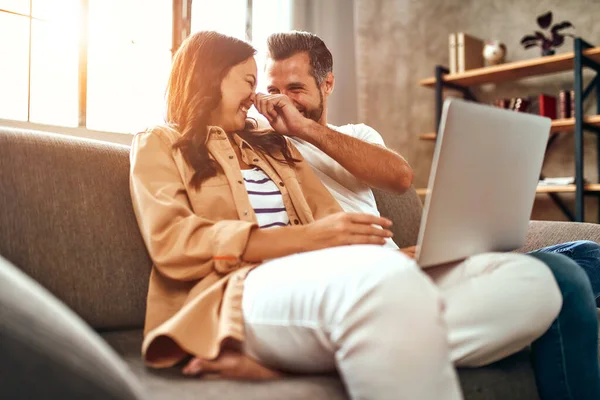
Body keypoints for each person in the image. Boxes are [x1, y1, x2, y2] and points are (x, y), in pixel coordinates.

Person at [129, 30, 563, 400]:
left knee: (530, 283)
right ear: (210, 78)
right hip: (240, 289)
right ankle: (345, 336)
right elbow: (173, 243)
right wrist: (316, 241)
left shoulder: (273, 146)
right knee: (383, 290)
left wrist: (392, 257)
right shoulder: (159, 143)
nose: (260, 97)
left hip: (328, 276)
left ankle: (327, 355)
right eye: (250, 82)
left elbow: (338, 216)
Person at [261, 30, 600, 399]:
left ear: (328, 84)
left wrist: (307, 129)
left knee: (588, 252)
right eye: (272, 90)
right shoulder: (262, 145)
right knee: (564, 279)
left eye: (295, 89)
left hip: (414, 260)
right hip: (379, 276)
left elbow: (399, 177)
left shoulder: (353, 135)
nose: (281, 103)